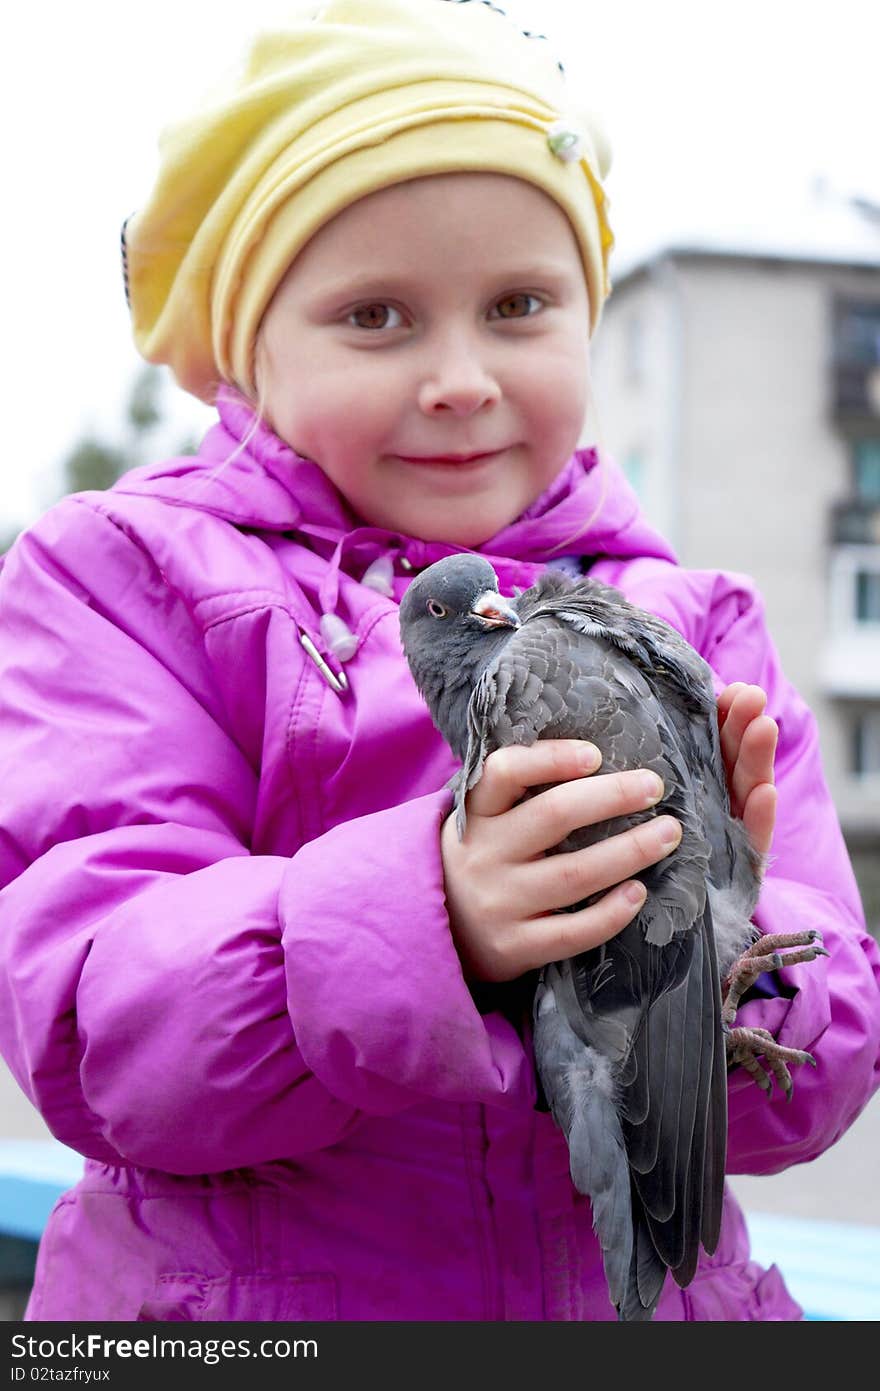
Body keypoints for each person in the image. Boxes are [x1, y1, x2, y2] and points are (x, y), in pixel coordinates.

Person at [0, 0, 877, 1323]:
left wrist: (727, 943)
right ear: (248, 348)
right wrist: (434, 918)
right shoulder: (125, 588)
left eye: (520, 303)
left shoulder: (690, 627)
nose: (463, 376)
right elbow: (92, 1030)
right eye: (378, 316)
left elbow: (801, 1103)